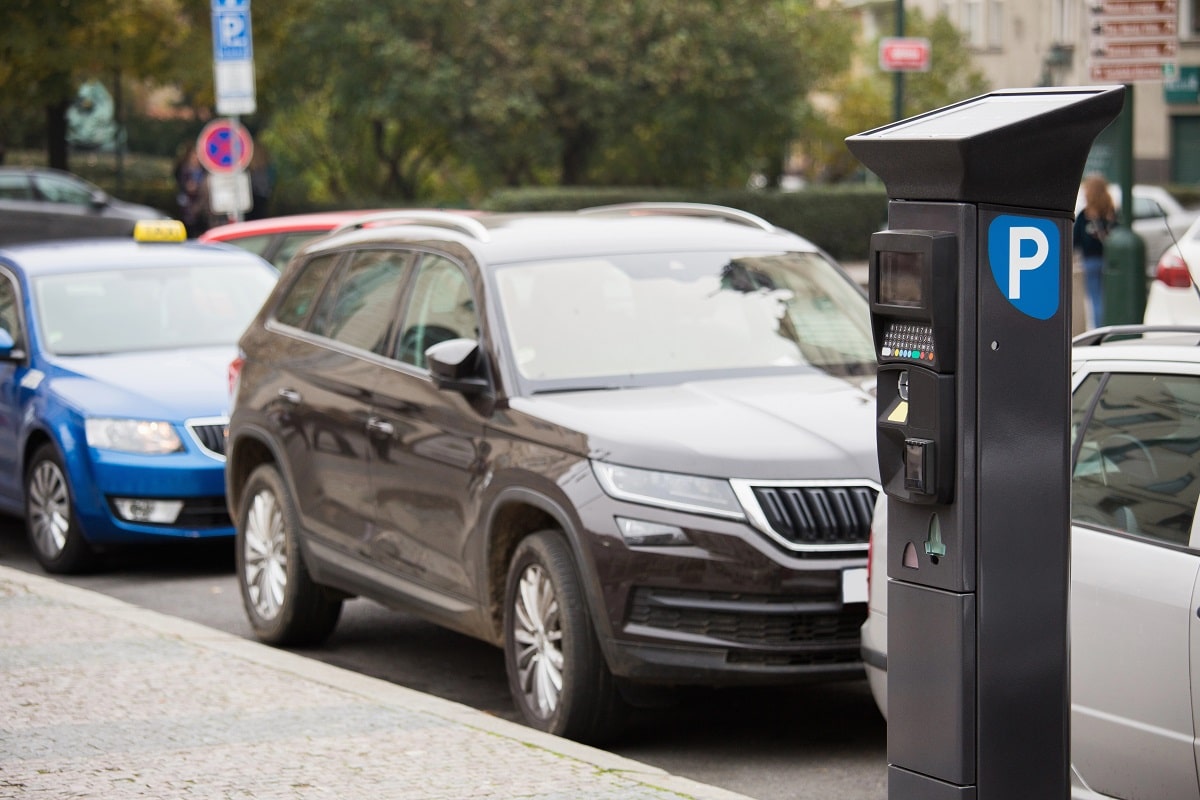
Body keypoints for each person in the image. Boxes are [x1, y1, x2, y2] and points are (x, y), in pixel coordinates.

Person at [1074, 175, 1116, 328]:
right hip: (1111, 262)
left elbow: (1075, 240)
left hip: (1090, 260)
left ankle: (1099, 330)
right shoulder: (1112, 213)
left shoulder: (1085, 215)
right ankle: (1110, 326)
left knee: (1096, 298)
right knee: (1109, 297)